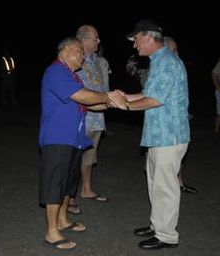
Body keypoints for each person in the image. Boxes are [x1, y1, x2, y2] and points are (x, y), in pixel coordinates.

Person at [110, 19, 190, 250]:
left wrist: (124, 105)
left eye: (136, 40)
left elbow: (155, 100)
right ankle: (157, 226)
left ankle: (167, 236)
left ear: (147, 36)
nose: (135, 45)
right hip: (159, 135)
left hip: (169, 135)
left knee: (165, 187)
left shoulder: (167, 62)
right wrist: (123, 96)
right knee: (156, 184)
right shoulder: (160, 61)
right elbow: (147, 93)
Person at [39, 37, 116, 250]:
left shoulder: (71, 76)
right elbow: (84, 96)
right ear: (65, 50)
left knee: (67, 183)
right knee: (55, 184)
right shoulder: (55, 72)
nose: (83, 55)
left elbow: (91, 103)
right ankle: (51, 231)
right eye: (79, 51)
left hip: (74, 138)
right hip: (57, 138)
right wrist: (107, 97)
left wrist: (115, 102)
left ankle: (63, 220)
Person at [67, 25, 109, 215]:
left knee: (90, 156)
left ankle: (86, 189)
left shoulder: (103, 63)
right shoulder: (73, 60)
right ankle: (70, 197)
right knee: (73, 157)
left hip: (98, 116)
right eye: (95, 38)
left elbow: (106, 90)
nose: (98, 41)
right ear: (83, 40)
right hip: (78, 116)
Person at [163, 36, 197, 194]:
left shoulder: (176, 66)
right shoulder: (160, 68)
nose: (177, 54)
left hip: (177, 120)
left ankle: (179, 180)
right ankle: (173, 183)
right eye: (174, 50)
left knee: (177, 157)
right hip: (164, 125)